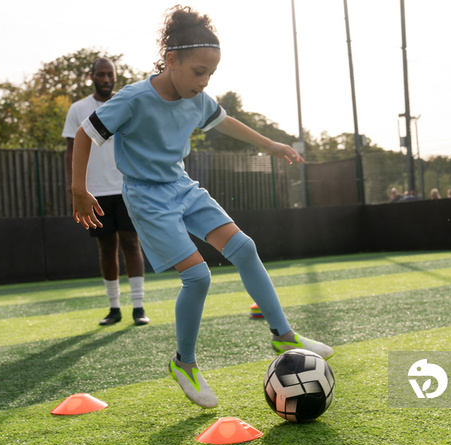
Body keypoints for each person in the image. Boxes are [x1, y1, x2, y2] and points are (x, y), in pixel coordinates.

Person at [70, 5, 333, 408]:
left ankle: (283, 334)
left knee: (244, 247)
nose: (205, 81)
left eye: (211, 73)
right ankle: (184, 363)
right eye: (199, 71)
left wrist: (272, 145)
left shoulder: (197, 98)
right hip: (146, 196)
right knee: (198, 277)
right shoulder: (134, 99)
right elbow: (87, 134)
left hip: (181, 185)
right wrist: (79, 189)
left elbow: (225, 121)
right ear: (171, 60)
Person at [63, 58, 149, 327]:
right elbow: (70, 149)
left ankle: (138, 308)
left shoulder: (126, 103)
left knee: (131, 243)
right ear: (92, 77)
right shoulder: (78, 109)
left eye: (109, 74)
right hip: (95, 192)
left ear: (115, 76)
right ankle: (114, 309)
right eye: (100, 74)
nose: (105, 79)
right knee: (106, 247)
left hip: (127, 187)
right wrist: (76, 188)